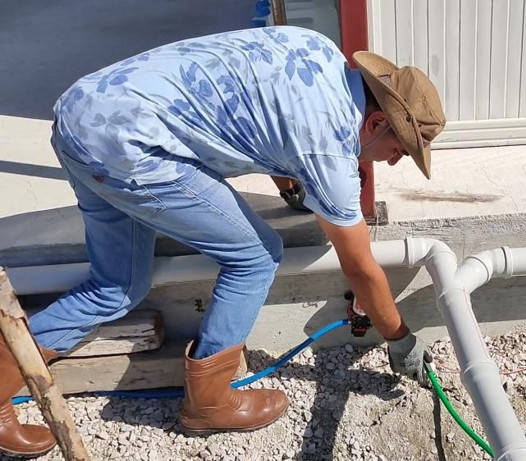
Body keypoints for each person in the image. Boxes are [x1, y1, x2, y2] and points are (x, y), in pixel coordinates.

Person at [0, 25, 445, 457]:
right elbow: (360, 266)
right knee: (256, 256)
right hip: (130, 148)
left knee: (117, 284)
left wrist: (291, 189)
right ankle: (208, 404)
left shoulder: (315, 50)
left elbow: (261, 108)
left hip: (83, 114)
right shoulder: (328, 149)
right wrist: (399, 338)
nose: (391, 163)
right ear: (377, 121)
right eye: (399, 150)